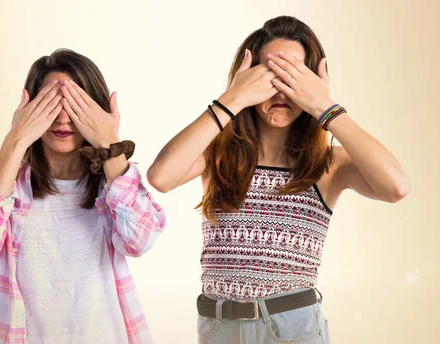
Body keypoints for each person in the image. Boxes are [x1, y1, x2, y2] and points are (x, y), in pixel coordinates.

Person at [147, 16, 409, 343]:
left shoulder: (329, 164)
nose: (283, 88)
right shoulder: (216, 155)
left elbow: (396, 186)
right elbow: (160, 176)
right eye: (272, 74)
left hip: (293, 328)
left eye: (295, 75)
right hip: (219, 327)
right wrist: (233, 99)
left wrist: (325, 107)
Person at [0, 48, 165, 344]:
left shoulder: (112, 185)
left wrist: (110, 143)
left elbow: (139, 241)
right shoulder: (11, 186)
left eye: (75, 104)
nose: (63, 118)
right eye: (51, 103)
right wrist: (16, 138)